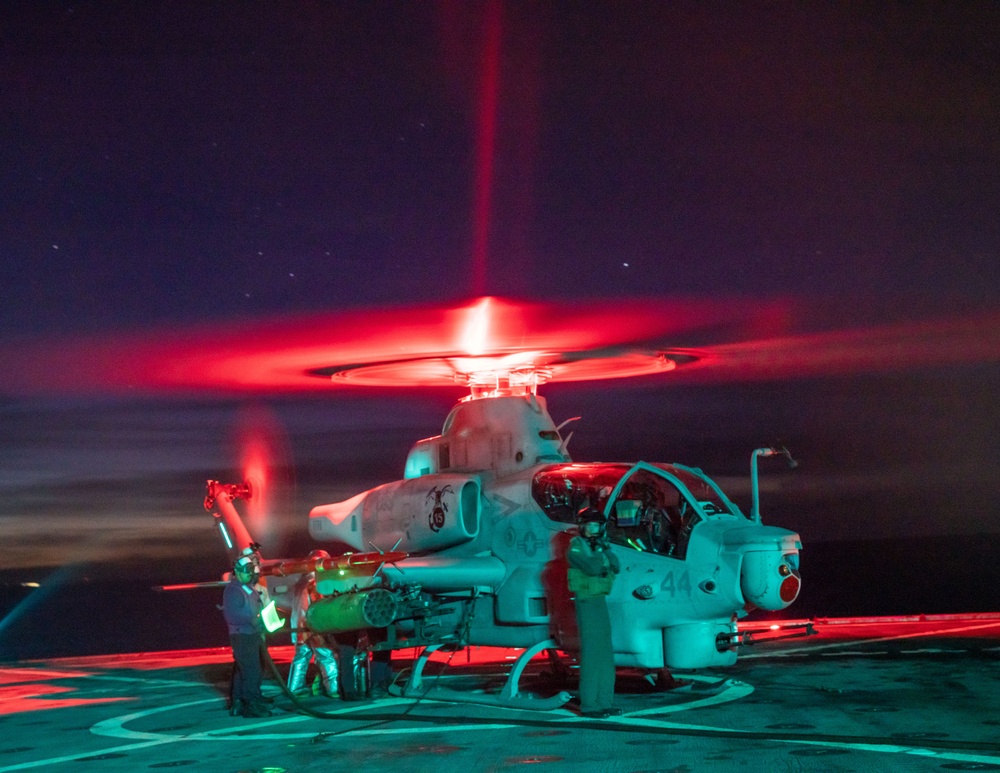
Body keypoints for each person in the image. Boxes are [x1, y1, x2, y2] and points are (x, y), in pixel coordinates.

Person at [566, 506, 621, 718]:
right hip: (586, 602)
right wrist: (599, 551)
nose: (593, 529)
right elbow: (592, 568)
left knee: (605, 653)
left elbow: (616, 565)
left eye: (597, 525)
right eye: (590, 525)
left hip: (599, 600)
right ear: (582, 527)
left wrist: (605, 548)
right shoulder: (575, 547)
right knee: (591, 654)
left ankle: (605, 702)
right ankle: (589, 705)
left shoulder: (599, 546)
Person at [223, 555, 272, 718]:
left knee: (245, 670)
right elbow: (233, 615)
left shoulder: (247, 588)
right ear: (237, 572)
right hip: (243, 635)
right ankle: (251, 705)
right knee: (251, 671)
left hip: (252, 634)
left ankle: (239, 702)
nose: (250, 575)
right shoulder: (233, 590)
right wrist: (255, 621)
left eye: (251, 571)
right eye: (246, 572)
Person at [287, 557, 339, 698]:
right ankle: (333, 689)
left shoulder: (300, 582)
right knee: (326, 656)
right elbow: (320, 606)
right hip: (314, 627)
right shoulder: (317, 583)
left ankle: (294, 688)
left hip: (298, 627)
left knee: (301, 658)